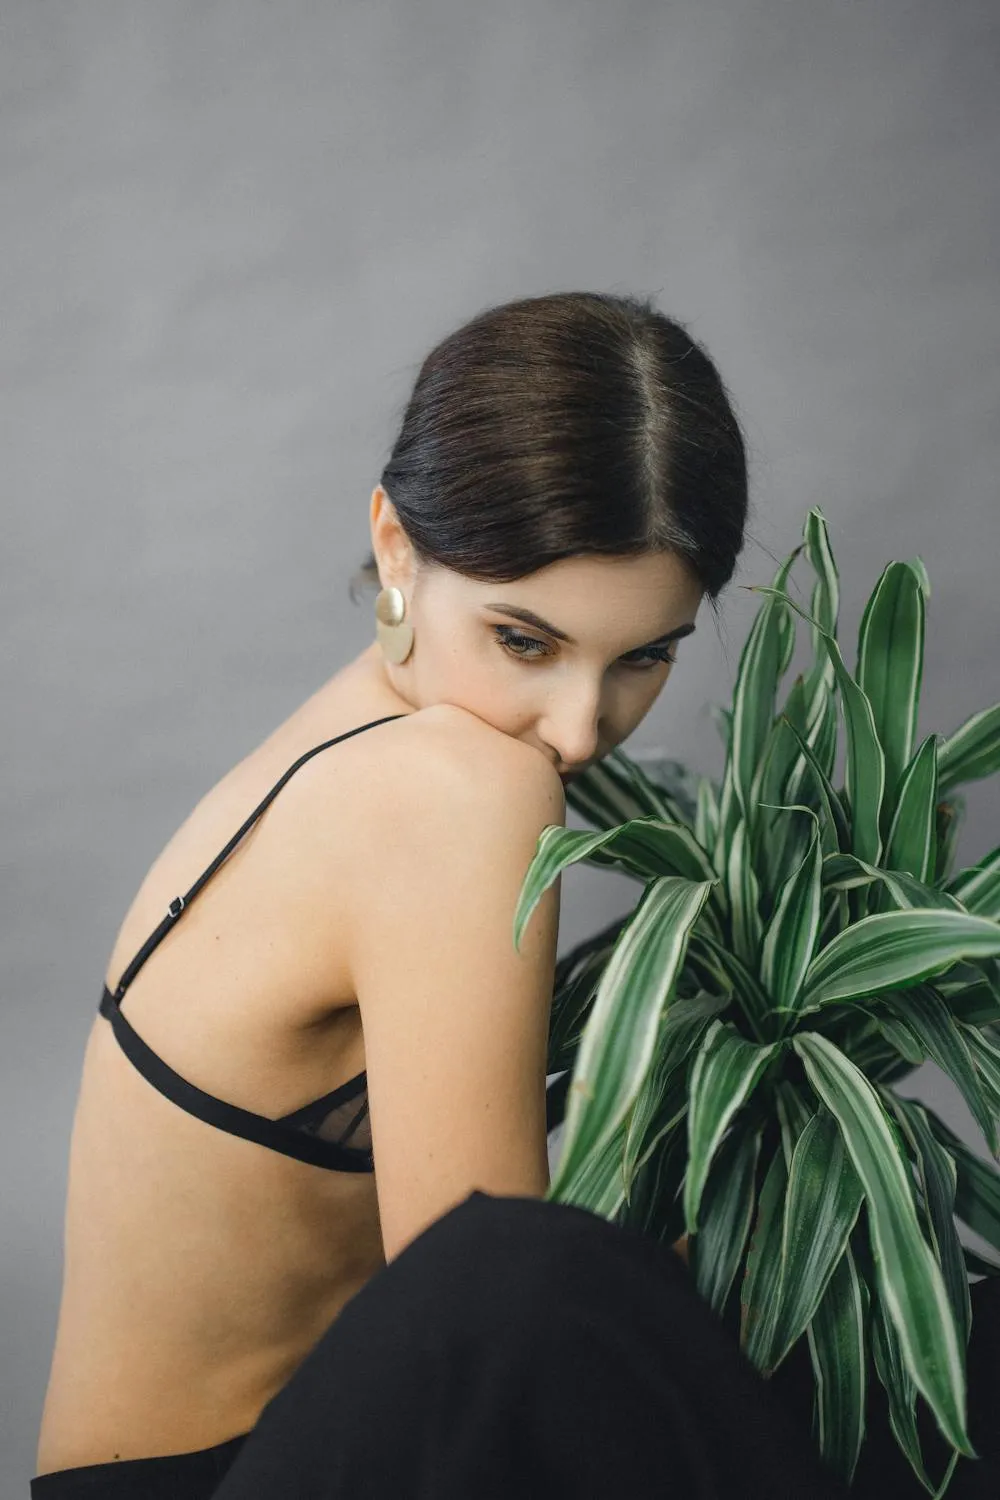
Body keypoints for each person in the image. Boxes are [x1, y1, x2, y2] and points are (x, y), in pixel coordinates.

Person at [28, 288, 938, 1498]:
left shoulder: (355, 737)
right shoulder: (455, 790)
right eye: (525, 642)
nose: (578, 730)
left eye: (645, 657)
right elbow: (501, 1316)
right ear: (395, 544)